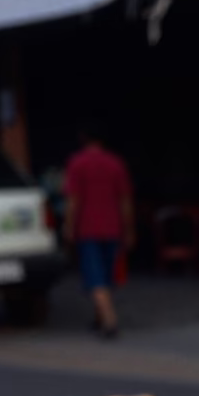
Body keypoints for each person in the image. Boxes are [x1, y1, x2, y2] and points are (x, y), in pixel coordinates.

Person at [64, 124, 135, 338]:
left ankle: (109, 321)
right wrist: (129, 229)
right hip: (113, 227)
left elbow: (73, 201)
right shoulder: (115, 163)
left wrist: (68, 227)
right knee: (106, 275)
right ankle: (99, 317)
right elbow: (125, 201)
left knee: (96, 277)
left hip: (88, 229)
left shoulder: (78, 163)